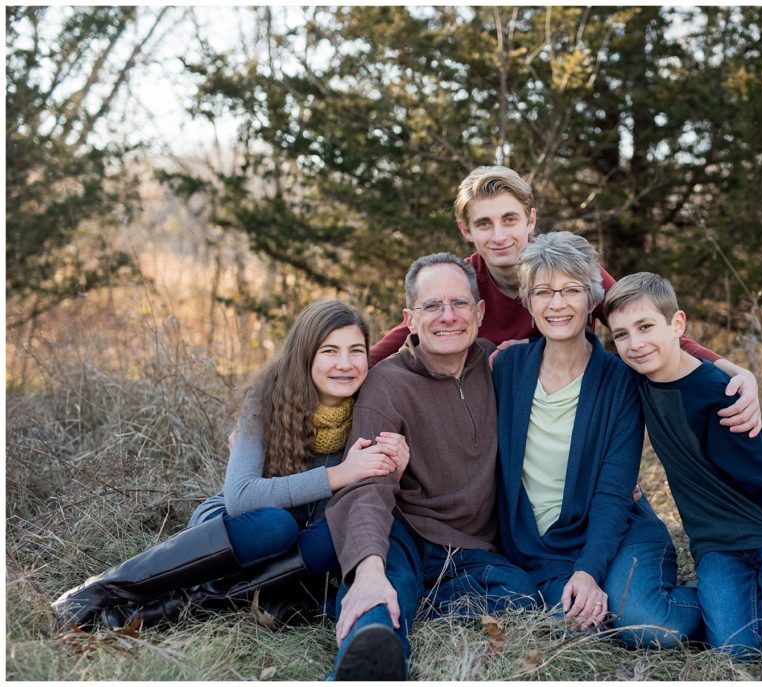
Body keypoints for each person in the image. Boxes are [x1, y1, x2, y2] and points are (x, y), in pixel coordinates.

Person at [52, 300, 409, 631]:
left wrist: (397, 464)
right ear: (306, 355)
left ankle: (157, 613)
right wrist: (338, 474)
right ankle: (99, 591)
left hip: (301, 551)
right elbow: (241, 498)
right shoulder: (268, 397)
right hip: (237, 530)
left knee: (337, 532)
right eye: (329, 351)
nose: (345, 364)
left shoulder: (370, 407)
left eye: (356, 351)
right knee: (276, 525)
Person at [371, 165, 762, 438]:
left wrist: (735, 372)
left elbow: (648, 326)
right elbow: (392, 345)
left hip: (578, 417)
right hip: (495, 422)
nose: (499, 235)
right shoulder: (457, 284)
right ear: (466, 230)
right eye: (484, 224)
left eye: (510, 219)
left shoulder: (568, 270)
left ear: (531, 220)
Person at [605, 272, 762, 658]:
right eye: (622, 335)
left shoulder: (718, 395)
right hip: (715, 546)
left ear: (677, 324)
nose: (635, 344)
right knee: (736, 653)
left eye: (646, 327)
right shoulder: (636, 380)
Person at [326, 253, 539, 681]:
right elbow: (369, 484)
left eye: (460, 304)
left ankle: (405, 599)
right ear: (410, 318)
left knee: (524, 597)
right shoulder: (387, 383)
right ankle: (368, 659)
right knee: (383, 590)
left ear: (479, 312)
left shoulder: (499, 365)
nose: (448, 317)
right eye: (432, 306)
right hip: (403, 528)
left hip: (469, 549)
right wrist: (369, 569)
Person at [491, 232, 702, 649]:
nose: (557, 304)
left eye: (571, 290)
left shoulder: (620, 380)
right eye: (543, 292)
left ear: (592, 300)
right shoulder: (506, 367)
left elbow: (613, 489)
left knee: (650, 627)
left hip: (617, 532)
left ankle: (724, 596)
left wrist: (588, 570)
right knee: (576, 626)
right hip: (539, 547)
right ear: (528, 303)